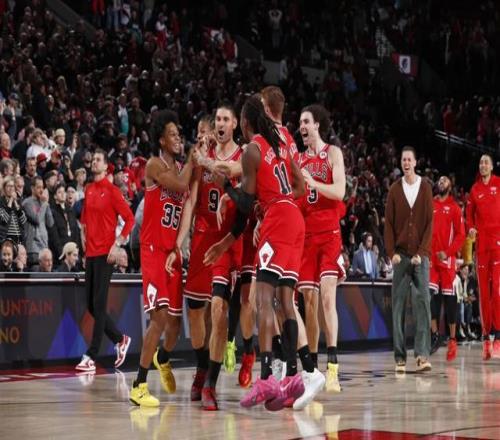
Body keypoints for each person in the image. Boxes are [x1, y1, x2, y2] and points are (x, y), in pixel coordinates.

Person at [205, 96, 324, 411]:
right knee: (285, 300)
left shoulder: (252, 150)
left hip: (277, 222)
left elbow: (244, 204)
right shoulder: (282, 141)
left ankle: (270, 376)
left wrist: (226, 186)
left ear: (244, 122)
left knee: (262, 299)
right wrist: (271, 201)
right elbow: (300, 188)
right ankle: (296, 375)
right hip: (294, 219)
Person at [130, 110, 194, 407]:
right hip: (154, 251)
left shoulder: (180, 168)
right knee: (158, 319)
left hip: (173, 252)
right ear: (160, 140)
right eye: (172, 135)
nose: (178, 138)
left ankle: (163, 357)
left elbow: (188, 197)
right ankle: (139, 385)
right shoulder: (155, 165)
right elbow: (180, 185)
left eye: (179, 134)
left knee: (175, 326)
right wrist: (193, 159)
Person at [182, 105, 243, 411]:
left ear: (233, 124)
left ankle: (210, 383)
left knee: (218, 310)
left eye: (224, 119)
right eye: (216, 120)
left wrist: (203, 159)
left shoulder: (242, 155)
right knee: (196, 312)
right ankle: (201, 365)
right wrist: (180, 241)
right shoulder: (199, 155)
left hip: (227, 239)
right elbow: (192, 198)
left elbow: (227, 173)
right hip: (202, 236)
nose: (220, 124)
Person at [296, 104, 346, 392]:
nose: (301, 126)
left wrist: (314, 182)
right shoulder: (298, 160)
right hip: (306, 237)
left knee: (328, 298)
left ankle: (333, 367)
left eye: (306, 122)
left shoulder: (333, 153)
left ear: (317, 125)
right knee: (309, 303)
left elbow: (339, 192)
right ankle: (311, 369)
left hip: (329, 235)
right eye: (300, 122)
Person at [76, 149, 135, 373]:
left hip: (106, 254)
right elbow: (84, 220)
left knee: (99, 305)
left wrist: (117, 244)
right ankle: (120, 339)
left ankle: (91, 355)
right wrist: (83, 237)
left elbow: (129, 219)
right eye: (93, 159)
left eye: (98, 160)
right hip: (91, 254)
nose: (94, 162)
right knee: (92, 306)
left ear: (105, 165)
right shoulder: (89, 189)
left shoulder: (112, 191)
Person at [384, 146, 434, 373]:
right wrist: (391, 252)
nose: (406, 163)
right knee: (398, 307)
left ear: (415, 162)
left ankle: (422, 356)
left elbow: (430, 224)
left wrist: (421, 253)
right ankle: (400, 358)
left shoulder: (425, 188)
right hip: (401, 256)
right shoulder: (394, 190)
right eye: (403, 160)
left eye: (409, 160)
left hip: (420, 257)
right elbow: (388, 224)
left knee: (423, 305)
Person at [466, 154, 500, 360]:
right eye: (480, 163)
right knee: (484, 294)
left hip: (498, 245)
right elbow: (469, 215)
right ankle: (486, 337)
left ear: (492, 166)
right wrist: (470, 228)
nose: (483, 165)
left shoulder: (498, 184)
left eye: (486, 162)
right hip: (481, 247)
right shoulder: (474, 189)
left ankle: (498, 336)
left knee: (497, 289)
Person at [429, 176, 465, 361]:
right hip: (431, 259)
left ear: (450, 186)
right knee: (430, 296)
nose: (441, 182)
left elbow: (461, 235)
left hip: (447, 260)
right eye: (440, 181)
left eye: (445, 181)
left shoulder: (455, 208)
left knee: (449, 300)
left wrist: (449, 252)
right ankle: (435, 335)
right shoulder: (431, 204)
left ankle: (452, 339)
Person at [22, 176, 54, 267]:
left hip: (44, 246)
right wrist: (44, 204)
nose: (41, 190)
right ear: (32, 188)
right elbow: (37, 220)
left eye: (42, 187)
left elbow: (50, 223)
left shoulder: (43, 203)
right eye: (38, 187)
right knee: (35, 272)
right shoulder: (27, 203)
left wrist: (46, 204)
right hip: (33, 248)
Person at [0, 176, 27, 244]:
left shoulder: (18, 202)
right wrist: (11, 200)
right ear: (4, 188)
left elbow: (23, 220)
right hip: (6, 239)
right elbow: (4, 219)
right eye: (8, 186)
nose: (11, 188)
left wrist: (15, 202)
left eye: (12, 186)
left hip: (18, 239)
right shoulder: (1, 202)